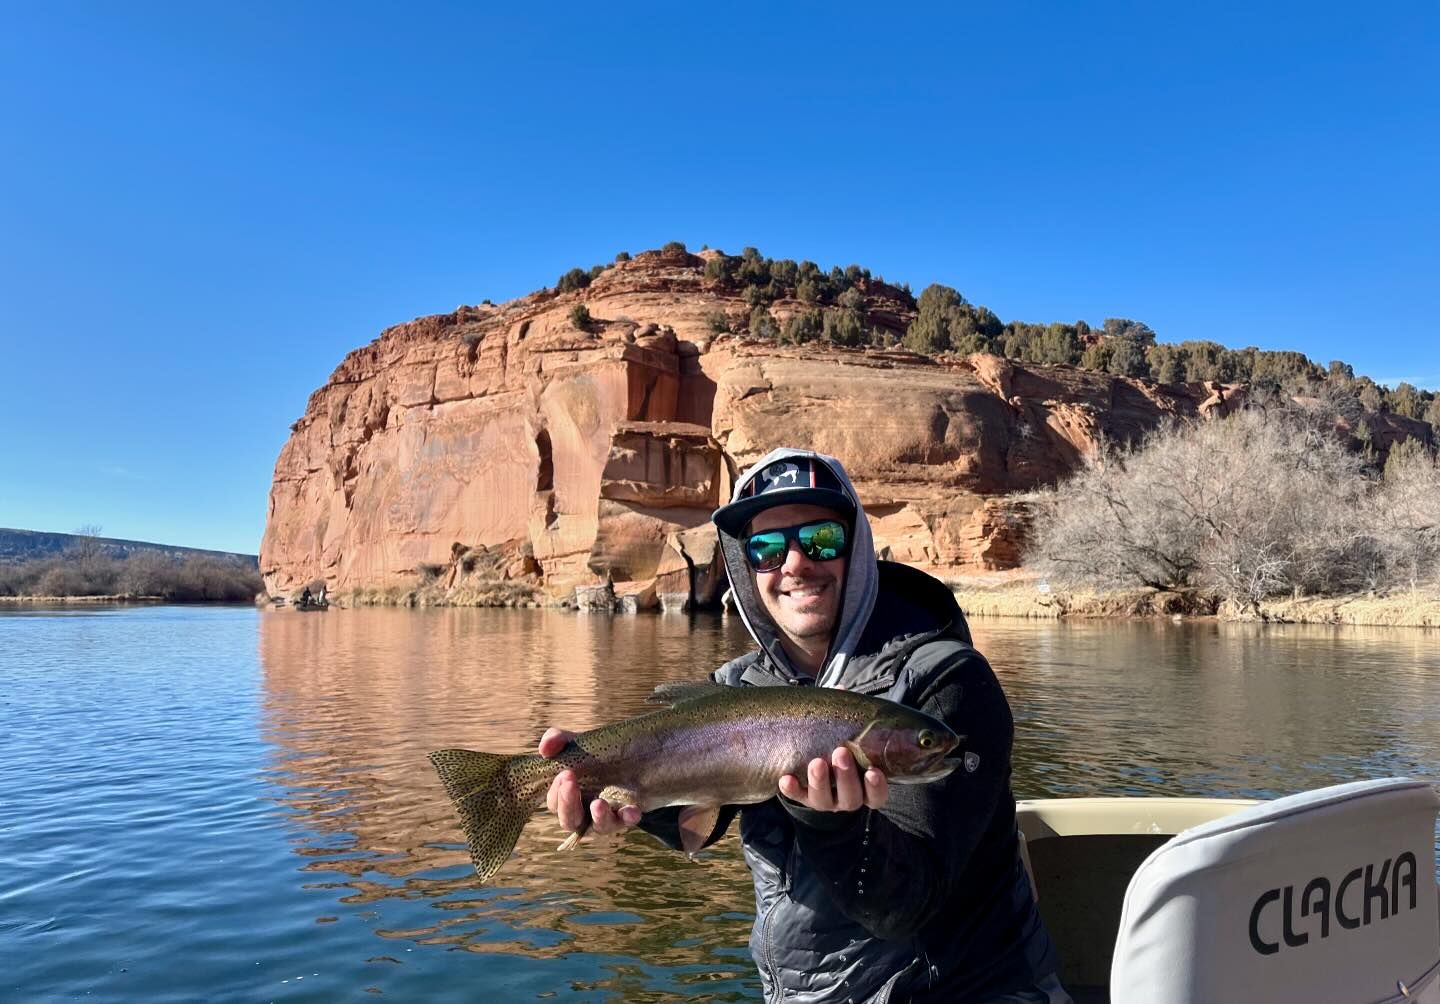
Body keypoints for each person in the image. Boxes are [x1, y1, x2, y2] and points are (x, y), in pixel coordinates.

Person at [540, 447, 1068, 1003]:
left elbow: (908, 905)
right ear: (748, 569)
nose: (794, 564)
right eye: (766, 549)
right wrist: (624, 798)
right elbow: (701, 817)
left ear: (857, 548)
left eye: (820, 540)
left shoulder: (946, 681)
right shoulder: (740, 687)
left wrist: (831, 823)